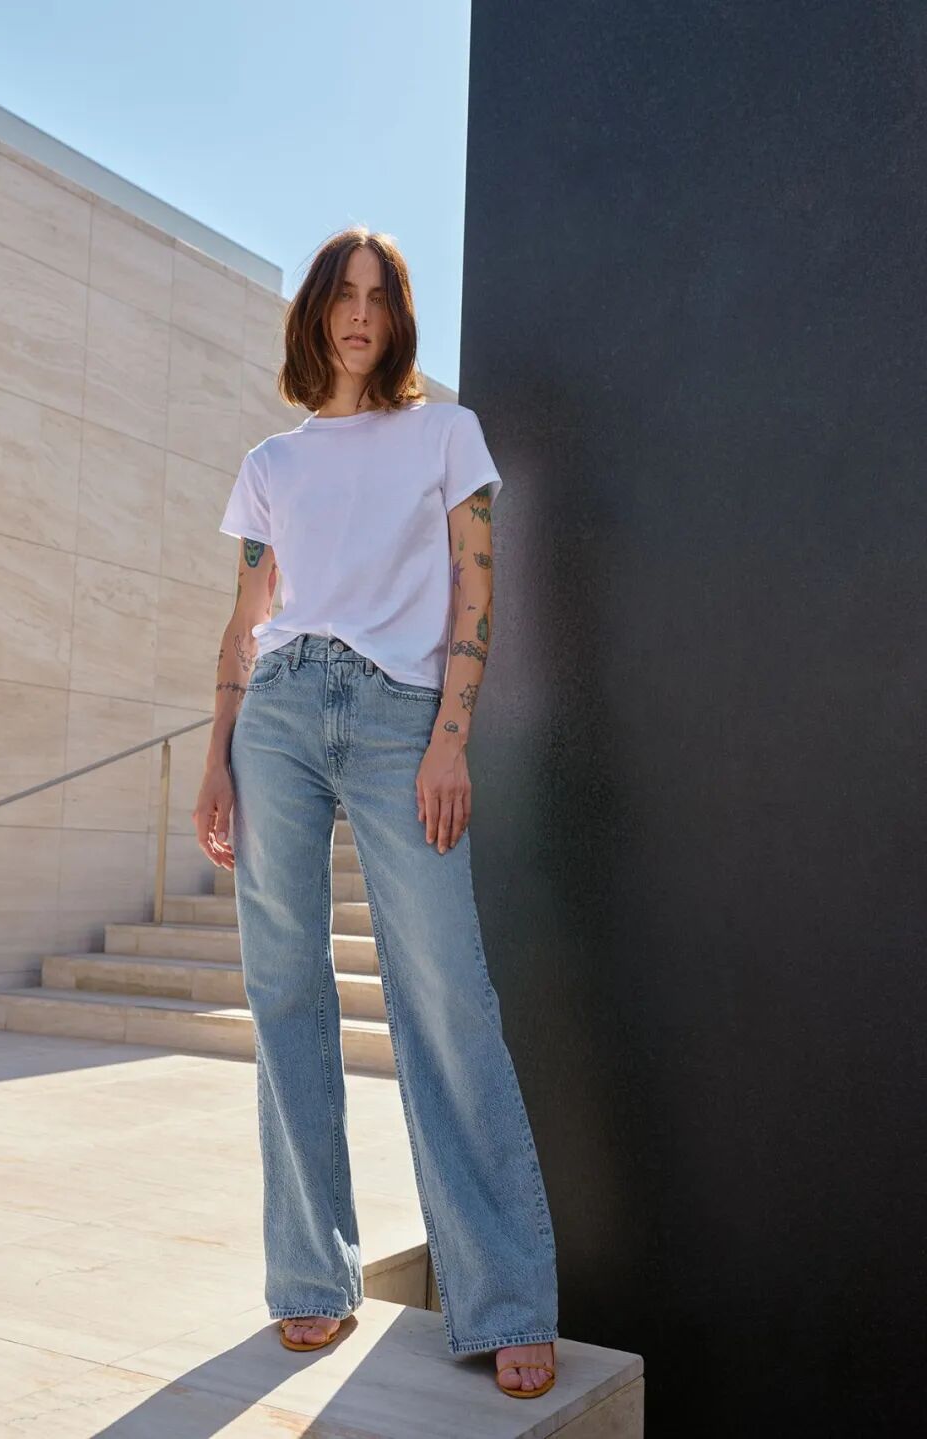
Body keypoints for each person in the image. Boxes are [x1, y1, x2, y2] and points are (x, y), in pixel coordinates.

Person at [192, 226, 558, 1399]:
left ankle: (504, 1295)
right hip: (278, 717)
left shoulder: (447, 434)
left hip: (403, 716)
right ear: (316, 312)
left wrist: (452, 735)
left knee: (446, 991)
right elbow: (247, 617)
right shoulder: (271, 462)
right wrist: (215, 752)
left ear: (398, 316)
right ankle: (311, 1273)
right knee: (284, 987)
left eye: (378, 296)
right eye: (341, 294)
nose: (359, 313)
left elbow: (476, 582)